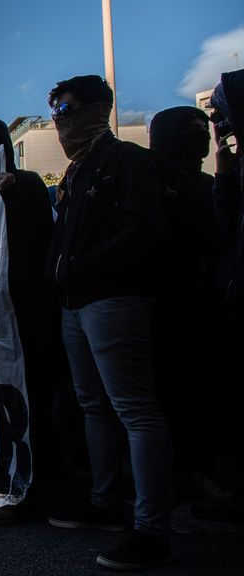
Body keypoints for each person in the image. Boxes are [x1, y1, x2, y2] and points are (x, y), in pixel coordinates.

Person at [43, 75, 174, 571]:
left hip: (113, 300)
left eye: (68, 108)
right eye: (54, 110)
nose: (60, 120)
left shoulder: (125, 162)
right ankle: (104, 502)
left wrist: (78, 267)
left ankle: (151, 529)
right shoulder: (76, 174)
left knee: (134, 409)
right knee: (93, 405)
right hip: (77, 303)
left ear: (99, 109)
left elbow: (144, 232)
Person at [0, 117, 63, 526]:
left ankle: (35, 490)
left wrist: (11, 195)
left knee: (32, 400)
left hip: (25, 313)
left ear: (3, 144)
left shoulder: (27, 183)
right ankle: (1, 478)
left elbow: (39, 235)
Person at [148, 106, 231, 508]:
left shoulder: (208, 181)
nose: (200, 135)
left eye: (204, 128)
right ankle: (180, 474)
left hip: (207, 301)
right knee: (173, 392)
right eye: (190, 130)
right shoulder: (150, 180)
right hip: (164, 305)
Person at [204, 69, 244, 522]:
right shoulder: (233, 171)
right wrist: (226, 179)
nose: (217, 122)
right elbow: (224, 229)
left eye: (221, 111)